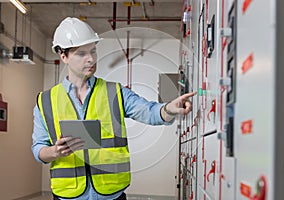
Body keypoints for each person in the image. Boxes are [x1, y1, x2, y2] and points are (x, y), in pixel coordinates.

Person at [31, 17, 196, 200]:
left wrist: (169, 109)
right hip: (68, 195)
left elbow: (149, 112)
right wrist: (54, 151)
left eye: (93, 51)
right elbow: (39, 149)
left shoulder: (115, 92)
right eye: (81, 53)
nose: (91, 59)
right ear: (64, 56)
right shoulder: (45, 101)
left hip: (111, 194)